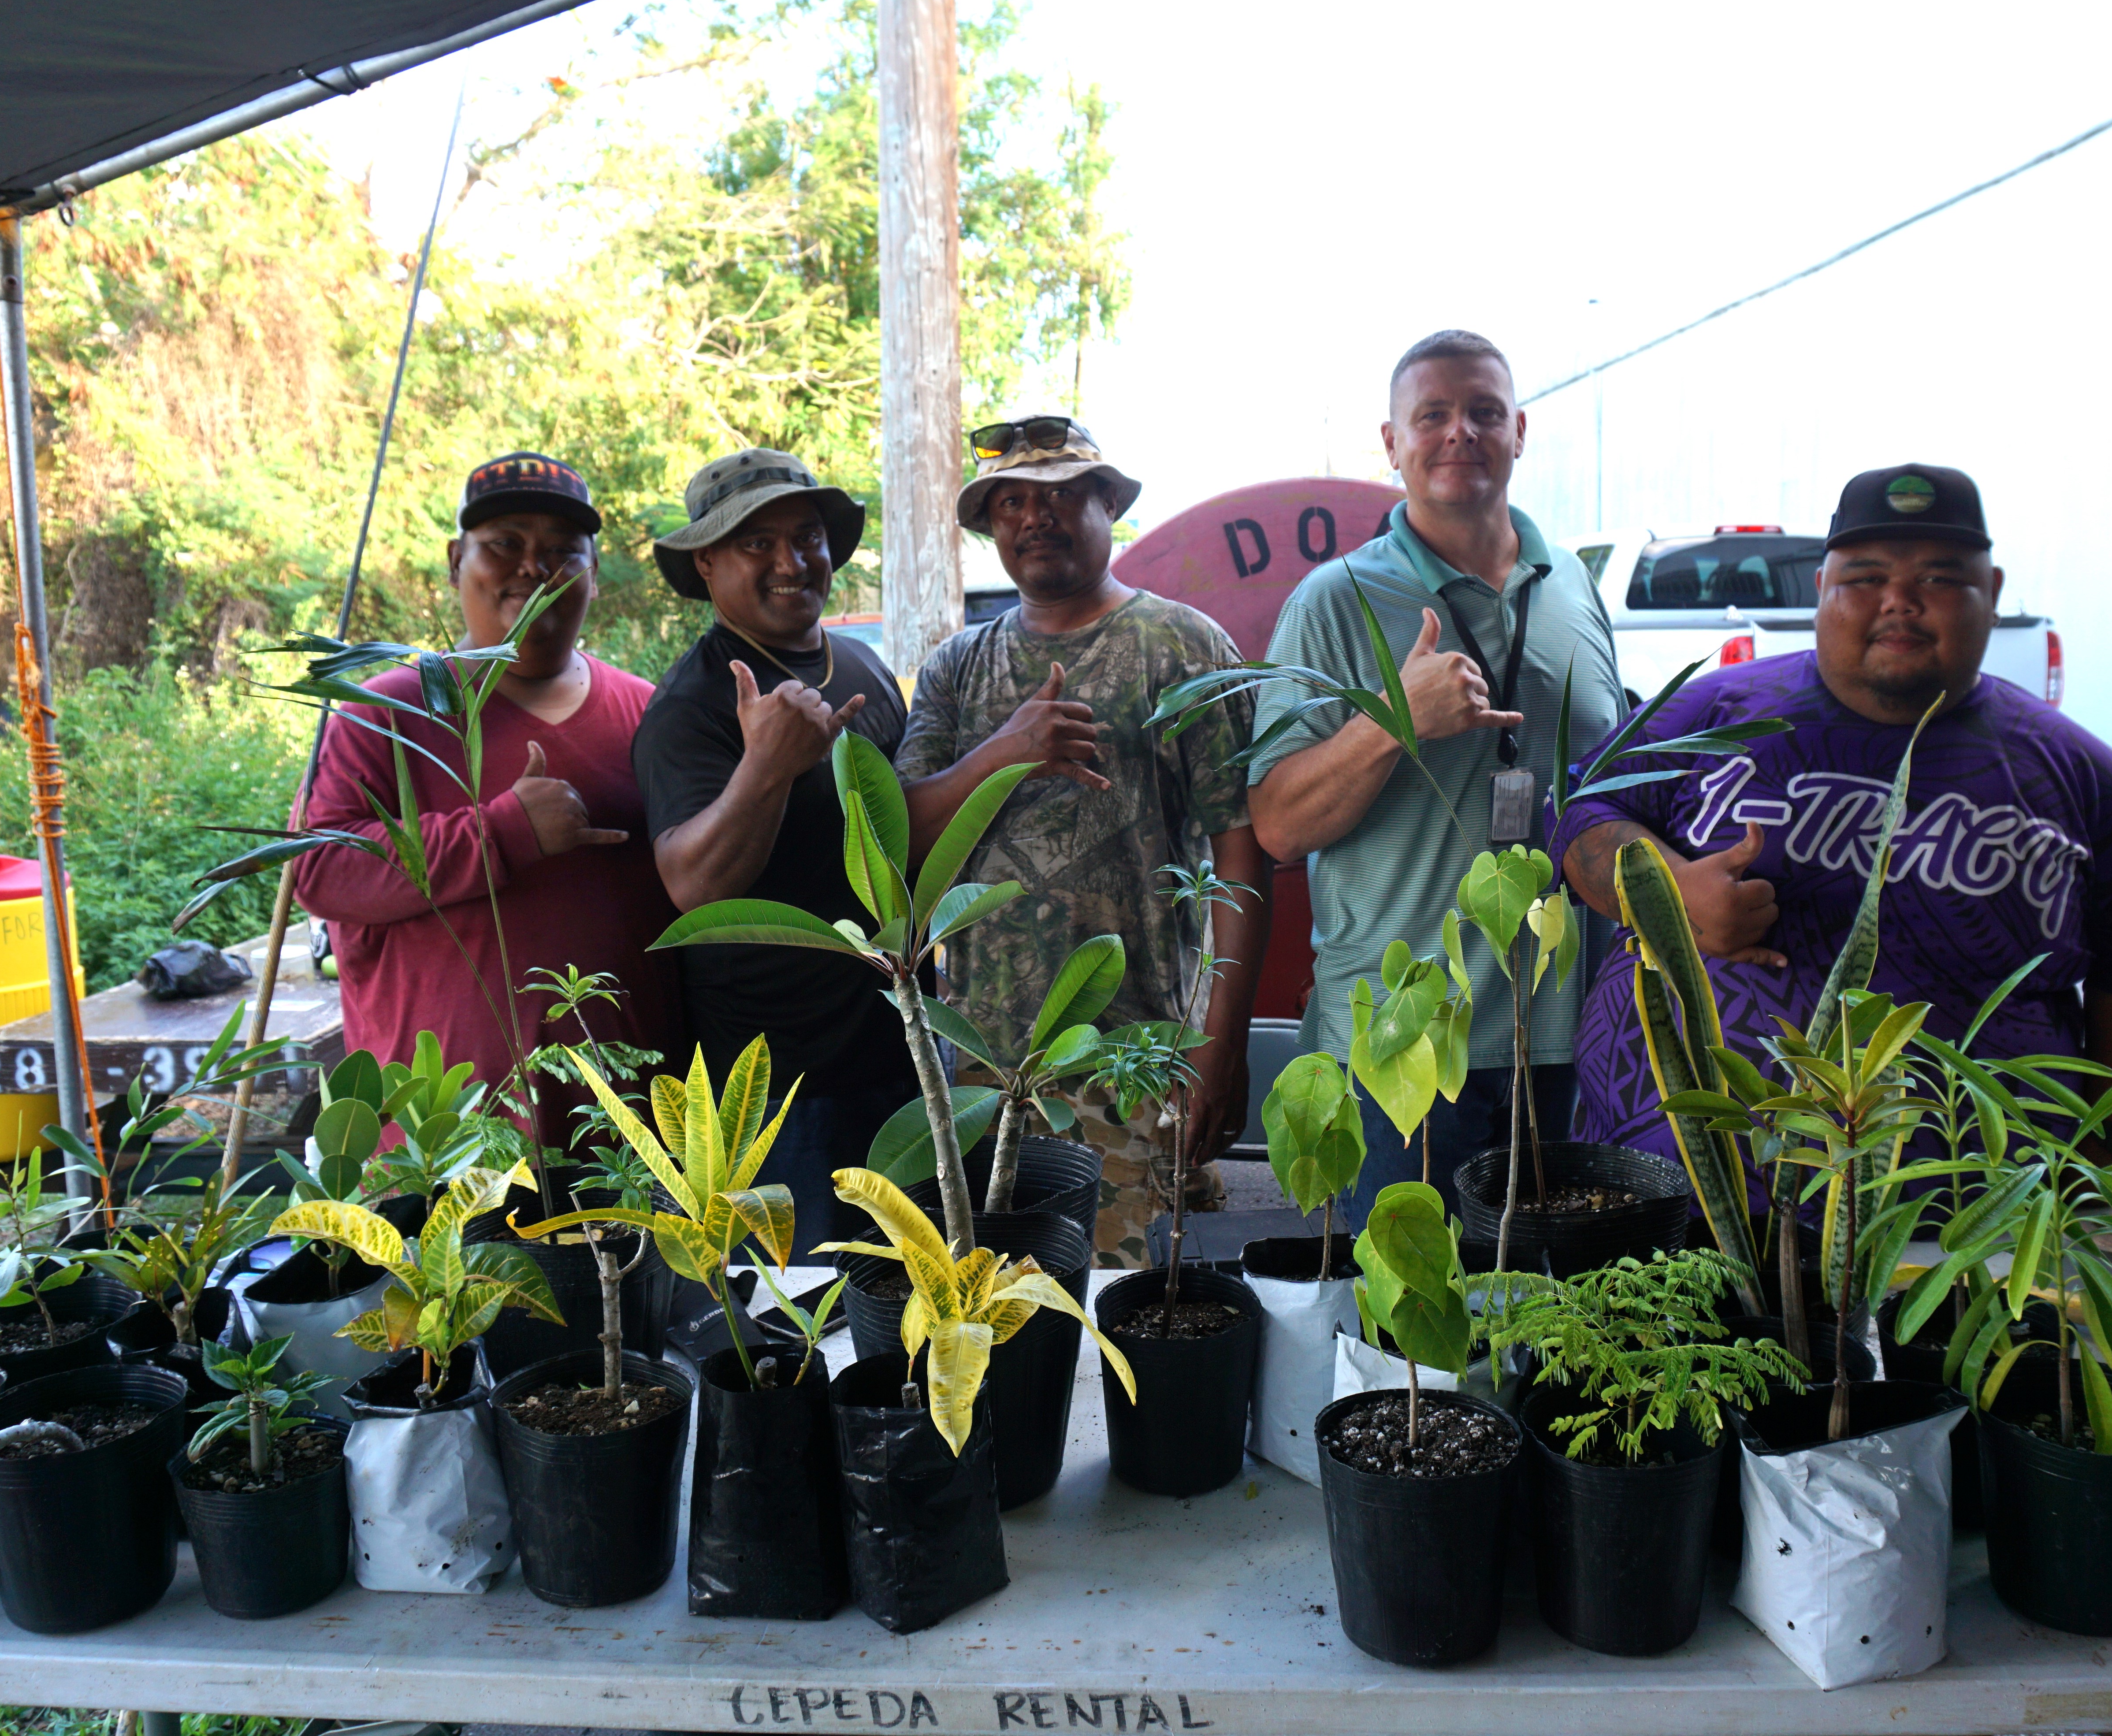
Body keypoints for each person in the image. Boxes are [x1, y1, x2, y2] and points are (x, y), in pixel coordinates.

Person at [1554, 462, 2112, 1166]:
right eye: (1865, 578)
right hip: (1672, 1197)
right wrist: (1662, 891)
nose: (1900, 602)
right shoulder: (1706, 715)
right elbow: (1585, 814)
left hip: (1966, 1221)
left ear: (1993, 593)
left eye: (1940, 578)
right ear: (1824, 587)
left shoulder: (2086, 779)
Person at [1248, 331, 1623, 1220]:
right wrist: (1392, 722)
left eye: (1484, 412)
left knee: (1552, 1331)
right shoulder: (1335, 601)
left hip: (1567, 1040)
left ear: (1520, 432)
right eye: (1434, 415)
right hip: (1404, 1043)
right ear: (1392, 442)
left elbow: (1611, 781)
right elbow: (1277, 823)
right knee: (1409, 1337)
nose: (1461, 432)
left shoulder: (1571, 584)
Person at [894, 416, 1271, 1269]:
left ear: (1109, 502)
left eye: (1064, 494)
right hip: (985, 1069)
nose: (1037, 516)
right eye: (1013, 501)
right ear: (990, 526)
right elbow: (902, 837)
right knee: (993, 1317)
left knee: (1121, 1320)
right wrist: (1005, 757)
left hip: (1135, 1063)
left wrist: (1223, 1046)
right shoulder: (958, 666)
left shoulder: (1184, 647)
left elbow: (1244, 850)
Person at [296, 451, 677, 1144]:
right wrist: (500, 833)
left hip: (627, 1138)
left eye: (563, 551)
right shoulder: (381, 712)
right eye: (506, 545)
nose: (534, 568)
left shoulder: (651, 713)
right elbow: (320, 870)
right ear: (455, 561)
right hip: (442, 1143)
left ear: (592, 573)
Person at [632, 449, 913, 1257]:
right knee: (802, 1321)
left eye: (807, 536)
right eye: (756, 544)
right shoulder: (691, 707)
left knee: (909, 1303)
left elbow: (898, 833)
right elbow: (695, 884)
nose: (791, 562)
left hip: (898, 1057)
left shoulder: (861, 665)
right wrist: (767, 766)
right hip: (778, 1095)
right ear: (707, 562)